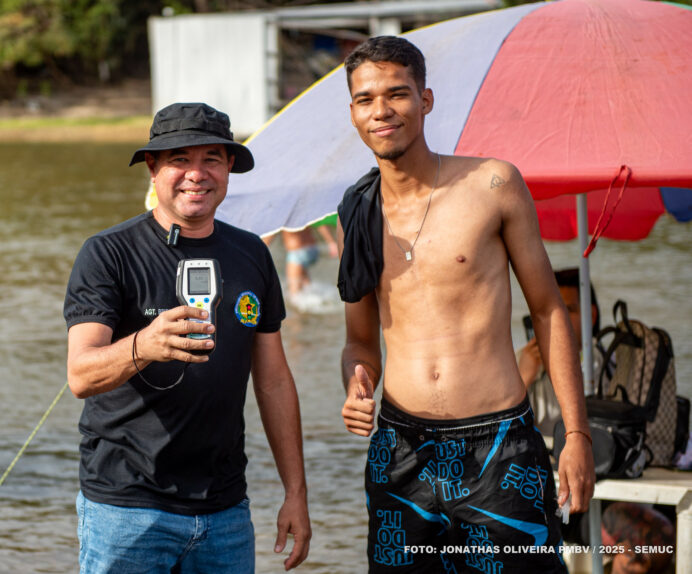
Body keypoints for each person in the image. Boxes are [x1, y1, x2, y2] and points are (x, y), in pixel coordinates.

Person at [336, 36, 595, 572]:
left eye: (397, 94)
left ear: (425, 100)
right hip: (399, 448)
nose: (381, 111)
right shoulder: (355, 211)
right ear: (353, 111)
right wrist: (357, 384)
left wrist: (576, 434)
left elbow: (548, 309)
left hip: (498, 447)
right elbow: (361, 340)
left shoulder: (493, 183)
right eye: (365, 99)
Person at [64, 102, 310, 573]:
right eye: (179, 159)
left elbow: (275, 382)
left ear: (230, 168)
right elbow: (80, 374)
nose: (196, 174)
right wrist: (145, 345)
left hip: (225, 511)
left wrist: (295, 493)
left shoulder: (252, 253)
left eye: (212, 159)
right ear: (153, 169)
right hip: (126, 509)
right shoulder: (107, 253)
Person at [518, 267, 601, 436]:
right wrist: (523, 377)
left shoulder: (605, 363)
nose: (558, 319)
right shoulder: (521, 360)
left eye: (568, 310)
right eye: (548, 312)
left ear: (591, 315)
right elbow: (495, 423)